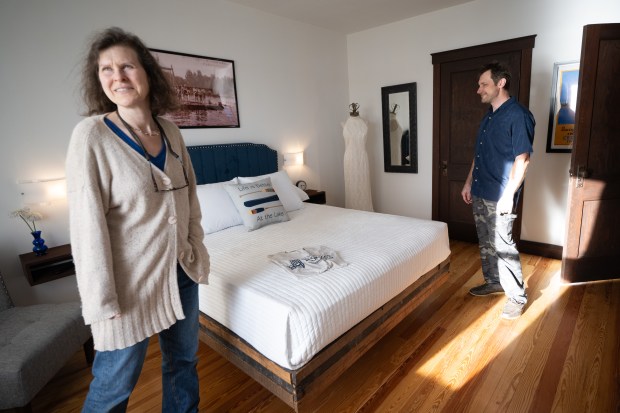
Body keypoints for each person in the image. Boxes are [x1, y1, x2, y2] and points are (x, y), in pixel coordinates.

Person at [65, 27, 210, 412]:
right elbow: (86, 225)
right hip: (126, 288)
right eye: (106, 70)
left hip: (182, 270)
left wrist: (196, 247)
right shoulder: (91, 137)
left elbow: (190, 200)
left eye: (127, 66)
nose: (118, 77)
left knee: (183, 363)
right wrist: (100, 297)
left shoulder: (171, 131)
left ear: (147, 71)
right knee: (115, 383)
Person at [461, 62, 535, 320]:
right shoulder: (489, 115)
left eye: (484, 84)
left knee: (503, 245)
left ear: (500, 83)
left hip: (500, 194)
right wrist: (469, 182)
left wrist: (507, 196)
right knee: (486, 241)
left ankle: (517, 297)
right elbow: (479, 153)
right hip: (481, 189)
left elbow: (522, 159)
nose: (478, 89)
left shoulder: (518, 115)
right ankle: (493, 281)